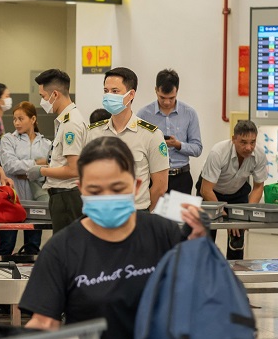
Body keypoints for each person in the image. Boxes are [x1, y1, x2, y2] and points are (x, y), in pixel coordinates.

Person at [20, 137, 206, 339]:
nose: (107, 198)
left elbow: (197, 300)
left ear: (137, 186)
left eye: (117, 189)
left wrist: (199, 248)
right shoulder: (62, 249)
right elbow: (44, 325)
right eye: (95, 191)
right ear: (81, 189)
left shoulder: (163, 233)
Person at [87, 67, 169, 211]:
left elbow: (160, 187)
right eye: (106, 91)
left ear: (131, 94)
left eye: (115, 91)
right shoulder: (93, 132)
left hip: (136, 212)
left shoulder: (151, 135)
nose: (108, 96)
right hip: (100, 212)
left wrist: (144, 214)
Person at [26, 69, 87, 233]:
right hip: (62, 196)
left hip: (68, 197)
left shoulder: (71, 124)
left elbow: (73, 169)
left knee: (67, 246)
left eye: (43, 96)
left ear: (55, 94)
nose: (42, 102)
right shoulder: (65, 120)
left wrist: (42, 171)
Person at [199, 120, 268, 260]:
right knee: (206, 237)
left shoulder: (259, 154)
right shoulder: (218, 152)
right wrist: (227, 219)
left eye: (252, 142)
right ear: (233, 139)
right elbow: (206, 190)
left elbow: (258, 187)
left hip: (237, 192)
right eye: (243, 142)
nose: (249, 147)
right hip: (211, 192)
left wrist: (246, 215)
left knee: (237, 237)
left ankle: (235, 271)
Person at [137, 69, 203, 194]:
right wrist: (156, 145)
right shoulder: (144, 114)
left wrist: (178, 145)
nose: (167, 102)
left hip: (181, 177)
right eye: (162, 97)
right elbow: (138, 147)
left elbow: (197, 148)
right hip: (154, 177)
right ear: (156, 90)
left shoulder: (189, 113)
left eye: (171, 98)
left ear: (177, 90)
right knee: (152, 208)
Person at [0, 101, 51, 255]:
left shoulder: (46, 144)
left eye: (21, 119)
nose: (16, 123)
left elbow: (50, 168)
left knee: (33, 247)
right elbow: (9, 166)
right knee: (6, 246)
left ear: (33, 119)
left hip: (36, 202)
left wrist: (24, 171)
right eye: (14, 119)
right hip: (12, 200)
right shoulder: (8, 140)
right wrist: (37, 165)